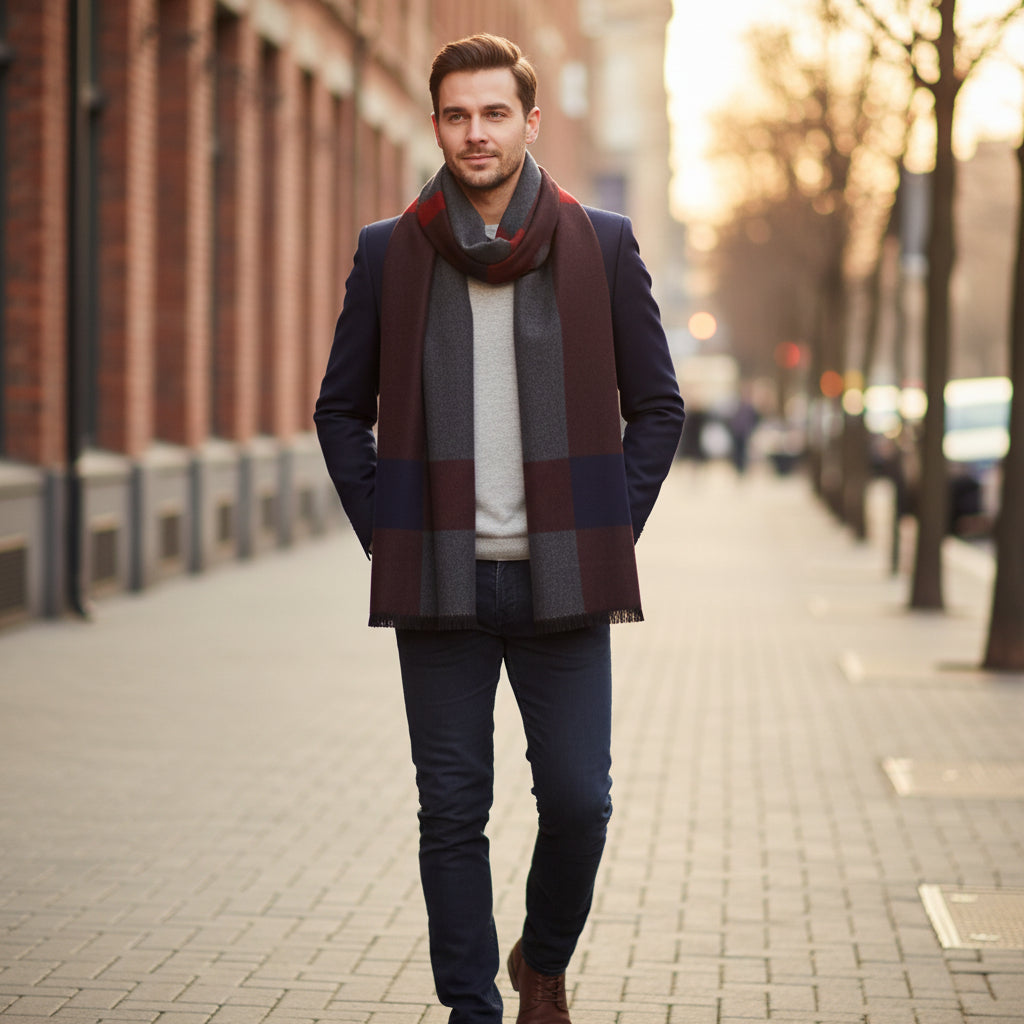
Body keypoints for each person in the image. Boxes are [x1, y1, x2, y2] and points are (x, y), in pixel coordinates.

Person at [314, 33, 684, 1024]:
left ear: (527, 121)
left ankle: (544, 954)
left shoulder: (598, 243)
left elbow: (658, 405)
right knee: (451, 811)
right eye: (455, 115)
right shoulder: (391, 250)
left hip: (564, 585)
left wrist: (606, 526)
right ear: (435, 124)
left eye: (492, 113)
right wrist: (390, 530)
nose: (473, 133)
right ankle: (470, 1006)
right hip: (440, 585)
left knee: (579, 802)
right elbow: (337, 409)